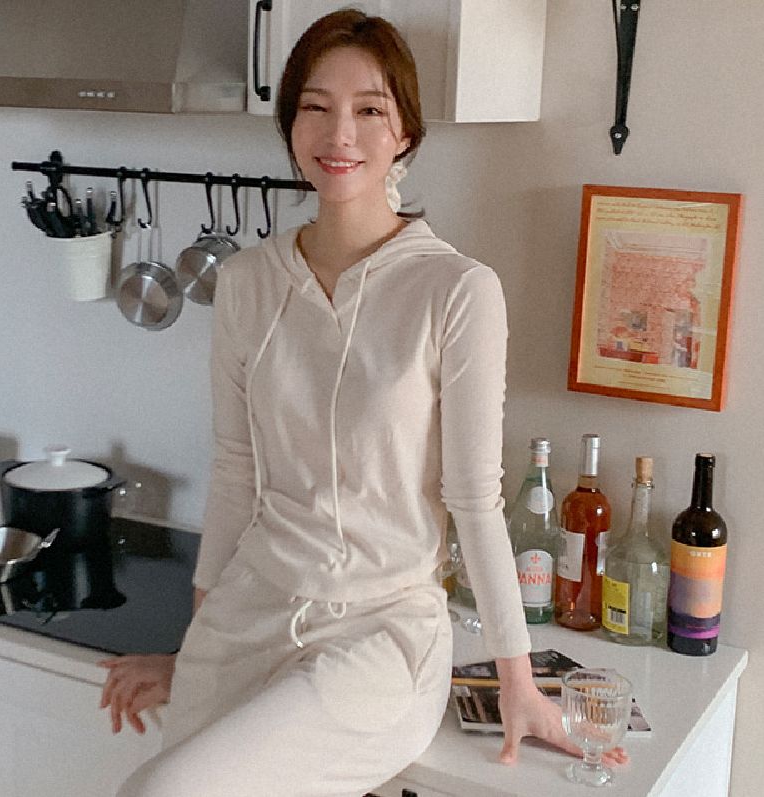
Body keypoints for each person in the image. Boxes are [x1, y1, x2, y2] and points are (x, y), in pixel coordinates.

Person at [100, 10, 627, 796]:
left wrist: (517, 682)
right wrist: (194, 647)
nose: (339, 133)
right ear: (290, 125)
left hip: (379, 637)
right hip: (243, 619)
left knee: (159, 790)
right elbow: (237, 471)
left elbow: (475, 500)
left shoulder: (456, 290)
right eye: (315, 106)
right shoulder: (245, 281)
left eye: (369, 109)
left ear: (404, 131)